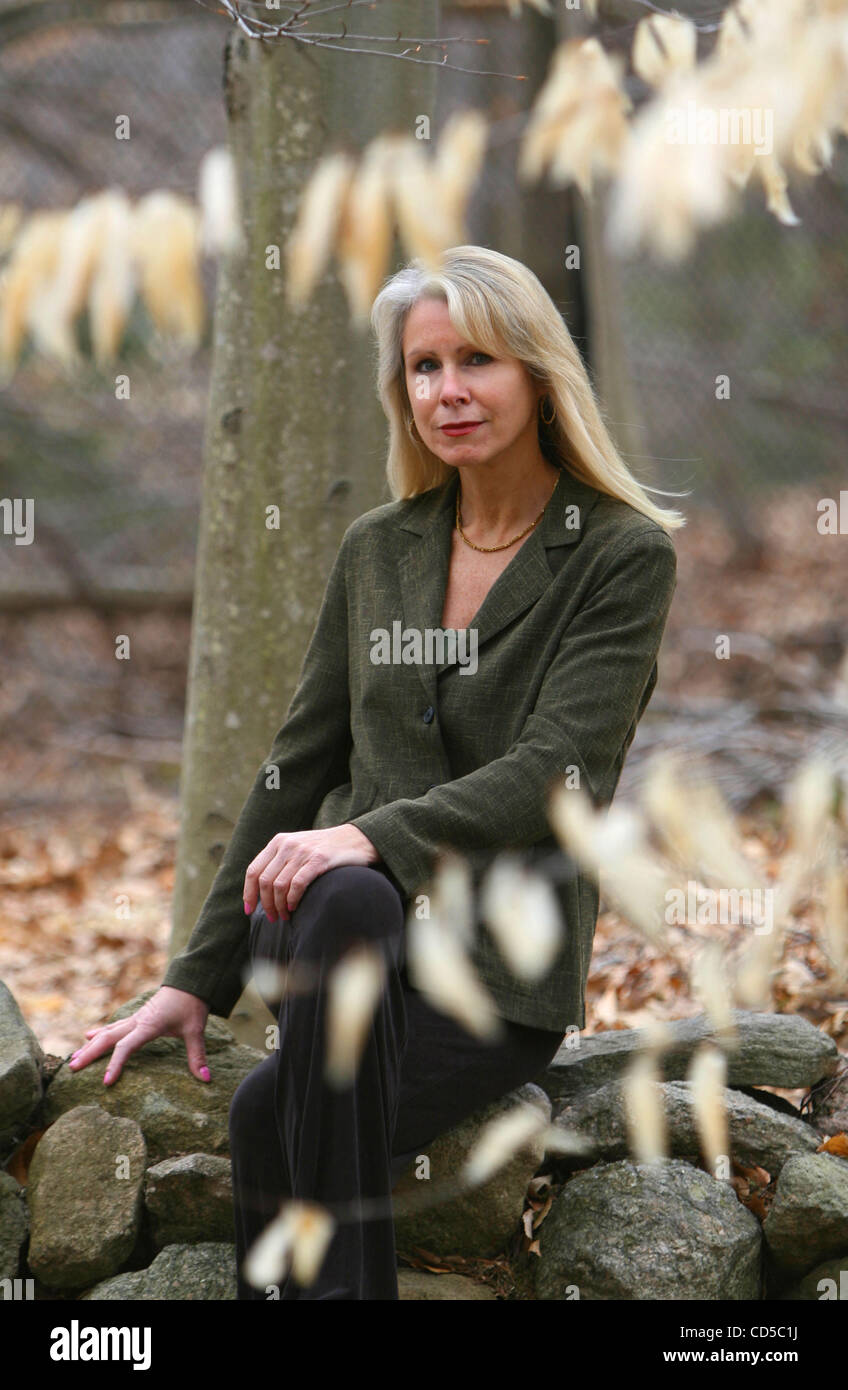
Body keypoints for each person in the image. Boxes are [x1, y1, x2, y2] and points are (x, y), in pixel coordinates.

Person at [68, 245, 684, 1300]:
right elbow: (295, 766)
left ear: (537, 374)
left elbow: (556, 769)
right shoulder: (377, 549)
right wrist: (192, 978)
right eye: (423, 367)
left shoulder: (617, 554)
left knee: (273, 1117)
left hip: (491, 977)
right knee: (344, 892)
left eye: (476, 360)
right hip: (328, 928)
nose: (447, 390)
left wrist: (370, 833)